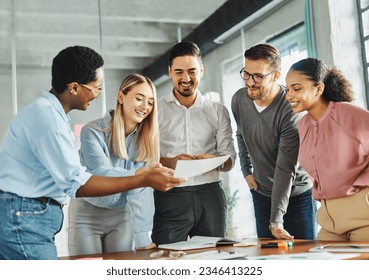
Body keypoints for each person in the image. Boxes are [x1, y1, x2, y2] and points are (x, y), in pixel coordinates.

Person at [0, 46, 185, 260]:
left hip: (30, 216)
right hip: (25, 217)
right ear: (74, 88)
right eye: (96, 88)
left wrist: (143, 233)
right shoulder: (49, 120)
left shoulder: (52, 116)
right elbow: (77, 183)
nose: (97, 94)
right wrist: (142, 177)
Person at [151, 41, 237, 246]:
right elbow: (144, 156)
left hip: (211, 196)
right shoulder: (155, 109)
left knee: (211, 259)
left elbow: (230, 159)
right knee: (167, 257)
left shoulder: (218, 110)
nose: (186, 78)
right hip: (170, 194)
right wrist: (170, 162)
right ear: (170, 72)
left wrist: (214, 161)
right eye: (179, 72)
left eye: (192, 71)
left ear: (201, 70)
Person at [231, 44, 317, 240]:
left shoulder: (291, 109)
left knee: (305, 258)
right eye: (246, 73)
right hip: (262, 192)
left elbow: (285, 168)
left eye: (258, 76)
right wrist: (246, 170)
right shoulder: (239, 99)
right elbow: (241, 134)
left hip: (297, 195)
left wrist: (276, 220)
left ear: (276, 76)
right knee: (268, 259)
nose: (250, 82)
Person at [68, 74, 159, 255]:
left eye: (150, 102)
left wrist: (142, 238)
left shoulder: (147, 139)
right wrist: (142, 176)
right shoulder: (92, 131)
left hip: (122, 216)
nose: (145, 107)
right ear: (121, 97)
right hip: (87, 214)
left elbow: (140, 190)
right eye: (139, 98)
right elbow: (103, 173)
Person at [285, 57, 369, 241]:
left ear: (319, 88)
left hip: (363, 216)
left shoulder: (349, 114)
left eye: (296, 88)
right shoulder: (303, 125)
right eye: (288, 89)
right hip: (329, 220)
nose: (289, 95)